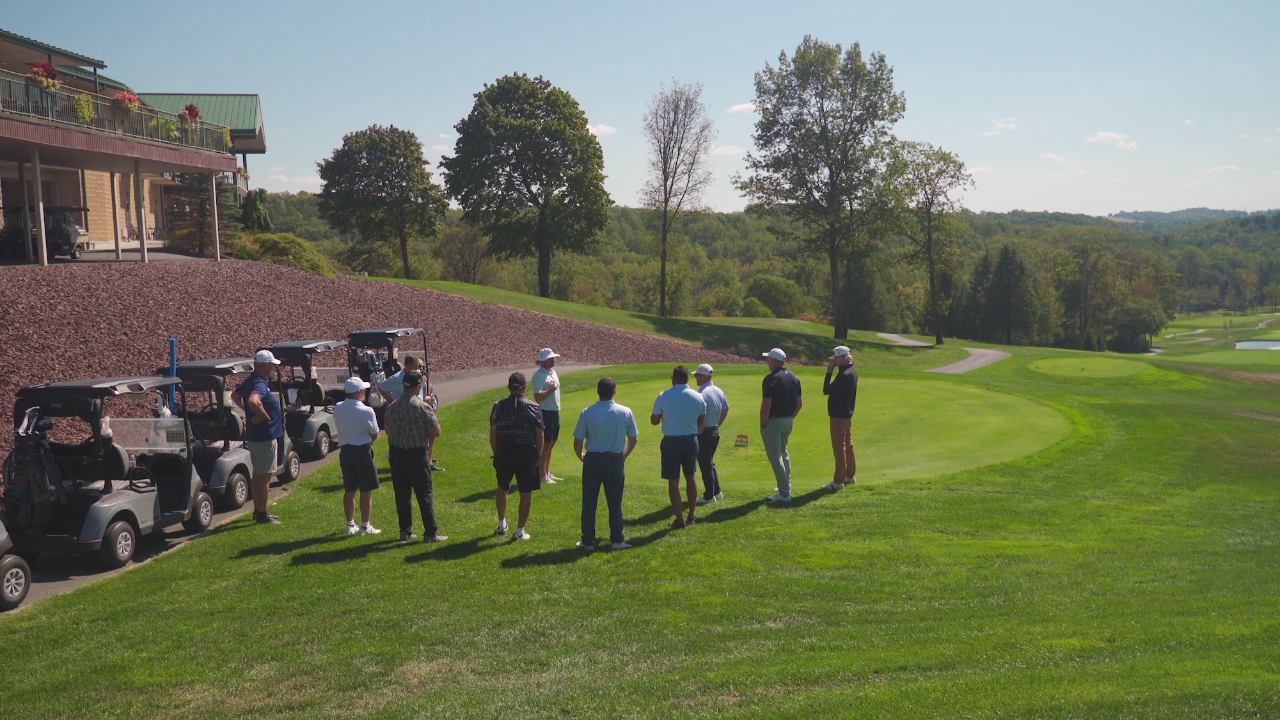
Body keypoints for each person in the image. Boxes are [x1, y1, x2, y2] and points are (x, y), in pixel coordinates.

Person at [572, 377, 639, 551]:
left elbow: (577, 441)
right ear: (614, 392)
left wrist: (580, 456)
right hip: (614, 460)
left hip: (593, 459)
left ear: (597, 391)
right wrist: (623, 455)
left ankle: (587, 541)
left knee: (589, 501)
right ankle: (617, 539)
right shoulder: (625, 412)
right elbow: (633, 438)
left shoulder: (587, 412)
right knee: (615, 501)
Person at [385, 370, 446, 543]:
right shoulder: (421, 406)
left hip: (396, 454)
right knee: (424, 494)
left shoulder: (393, 406)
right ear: (418, 386)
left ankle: (405, 531)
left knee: (402, 495)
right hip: (416, 454)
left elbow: (388, 430)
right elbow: (436, 431)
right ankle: (430, 533)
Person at [230, 349, 285, 525]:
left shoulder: (251, 379)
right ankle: (262, 514)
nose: (272, 369)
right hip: (264, 438)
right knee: (264, 477)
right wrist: (261, 413)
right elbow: (253, 401)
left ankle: (258, 511)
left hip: (255, 437)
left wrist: (246, 411)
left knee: (257, 476)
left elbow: (235, 395)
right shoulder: (260, 383)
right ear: (265, 365)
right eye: (271, 365)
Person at [650, 365, 707, 528]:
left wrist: (663, 418)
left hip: (671, 442)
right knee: (691, 477)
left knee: (673, 482)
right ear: (688, 379)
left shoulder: (663, 396)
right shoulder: (698, 397)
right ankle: (691, 515)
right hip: (690, 440)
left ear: (673, 379)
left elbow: (654, 420)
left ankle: (680, 520)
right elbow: (701, 420)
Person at [490, 372, 544, 540]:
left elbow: (493, 434)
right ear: (524, 388)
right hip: (526, 452)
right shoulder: (533, 407)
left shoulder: (498, 406)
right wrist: (539, 456)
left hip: (504, 451)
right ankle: (519, 531)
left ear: (509, 388)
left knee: (502, 487)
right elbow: (540, 435)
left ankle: (501, 524)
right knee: (525, 492)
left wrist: (496, 453)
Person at [378, 355, 444, 471]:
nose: (418, 369)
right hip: (404, 411)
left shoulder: (419, 375)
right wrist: (392, 402)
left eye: (418, 367)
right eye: (415, 367)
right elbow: (381, 387)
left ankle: (428, 463)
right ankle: (417, 464)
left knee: (430, 436)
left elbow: (423, 386)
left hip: (419, 409)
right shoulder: (397, 378)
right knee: (412, 439)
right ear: (407, 365)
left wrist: (424, 398)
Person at [334, 376, 381, 535]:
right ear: (359, 392)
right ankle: (365, 525)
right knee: (365, 490)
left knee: (349, 489)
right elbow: (375, 434)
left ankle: (350, 524)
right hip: (362, 451)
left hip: (345, 452)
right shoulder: (367, 410)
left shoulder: (338, 407)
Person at [759, 348, 802, 502]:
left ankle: (784, 494)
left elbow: (766, 406)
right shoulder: (793, 377)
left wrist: (763, 423)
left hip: (773, 421)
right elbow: (799, 404)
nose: (767, 362)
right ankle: (786, 485)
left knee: (775, 456)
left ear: (775, 361)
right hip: (788, 421)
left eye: (769, 359)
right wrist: (790, 417)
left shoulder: (770, 379)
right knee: (783, 452)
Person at [822, 345, 858, 491]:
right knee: (847, 444)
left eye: (836, 359)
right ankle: (849, 476)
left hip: (838, 415)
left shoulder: (843, 374)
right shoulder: (852, 370)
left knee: (839, 446)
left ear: (842, 358)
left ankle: (838, 481)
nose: (834, 362)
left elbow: (826, 390)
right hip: (846, 413)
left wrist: (829, 372)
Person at [693, 364, 730, 505]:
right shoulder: (718, 391)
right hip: (714, 430)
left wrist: (699, 430)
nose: (696, 378)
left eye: (697, 375)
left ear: (702, 376)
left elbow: (697, 414)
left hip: (705, 432)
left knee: (704, 463)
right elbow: (725, 409)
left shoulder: (701, 393)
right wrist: (717, 424)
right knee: (709, 462)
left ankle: (709, 496)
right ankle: (717, 491)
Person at [532, 348, 562, 485]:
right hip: (545, 412)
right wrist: (552, 389)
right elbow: (537, 397)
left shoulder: (553, 372)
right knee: (546, 444)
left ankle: (547, 472)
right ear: (543, 361)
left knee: (551, 443)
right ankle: (541, 474)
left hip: (555, 411)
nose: (552, 360)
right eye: (550, 359)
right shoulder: (538, 376)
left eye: (553, 358)